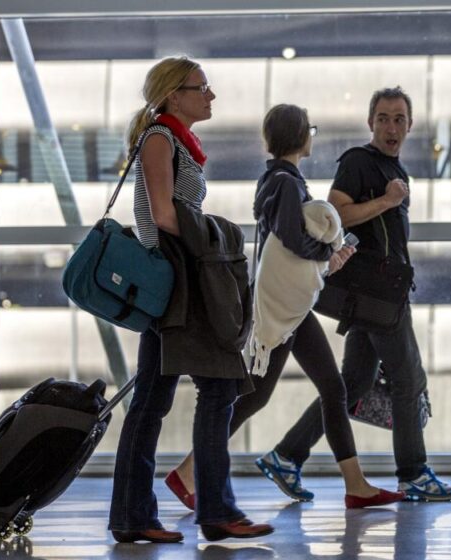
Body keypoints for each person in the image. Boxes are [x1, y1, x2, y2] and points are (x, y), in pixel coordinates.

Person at [163, 104, 405, 510]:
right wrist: (329, 252)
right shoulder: (285, 183)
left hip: (285, 305)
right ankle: (188, 472)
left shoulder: (279, 180)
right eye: (309, 129)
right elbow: (292, 238)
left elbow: (287, 244)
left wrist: (327, 258)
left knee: (329, 387)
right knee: (260, 395)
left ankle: (356, 484)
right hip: (280, 309)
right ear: (300, 137)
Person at [250, 87, 451, 502]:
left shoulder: (395, 169)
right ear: (370, 123)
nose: (391, 126)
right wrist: (386, 201)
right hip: (376, 293)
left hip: (382, 292)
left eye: (399, 119)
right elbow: (335, 212)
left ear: (410, 125)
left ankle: (287, 455)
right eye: (383, 118)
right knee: (407, 381)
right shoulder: (358, 162)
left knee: (353, 383)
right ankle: (414, 473)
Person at [108, 56, 272, 543]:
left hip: (177, 282)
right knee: (218, 389)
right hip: (182, 282)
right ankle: (215, 512)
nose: (211, 95)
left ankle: (135, 516)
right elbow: (162, 215)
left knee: (152, 401)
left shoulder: (171, 138)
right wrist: (217, 235)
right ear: (173, 94)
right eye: (202, 88)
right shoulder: (160, 137)